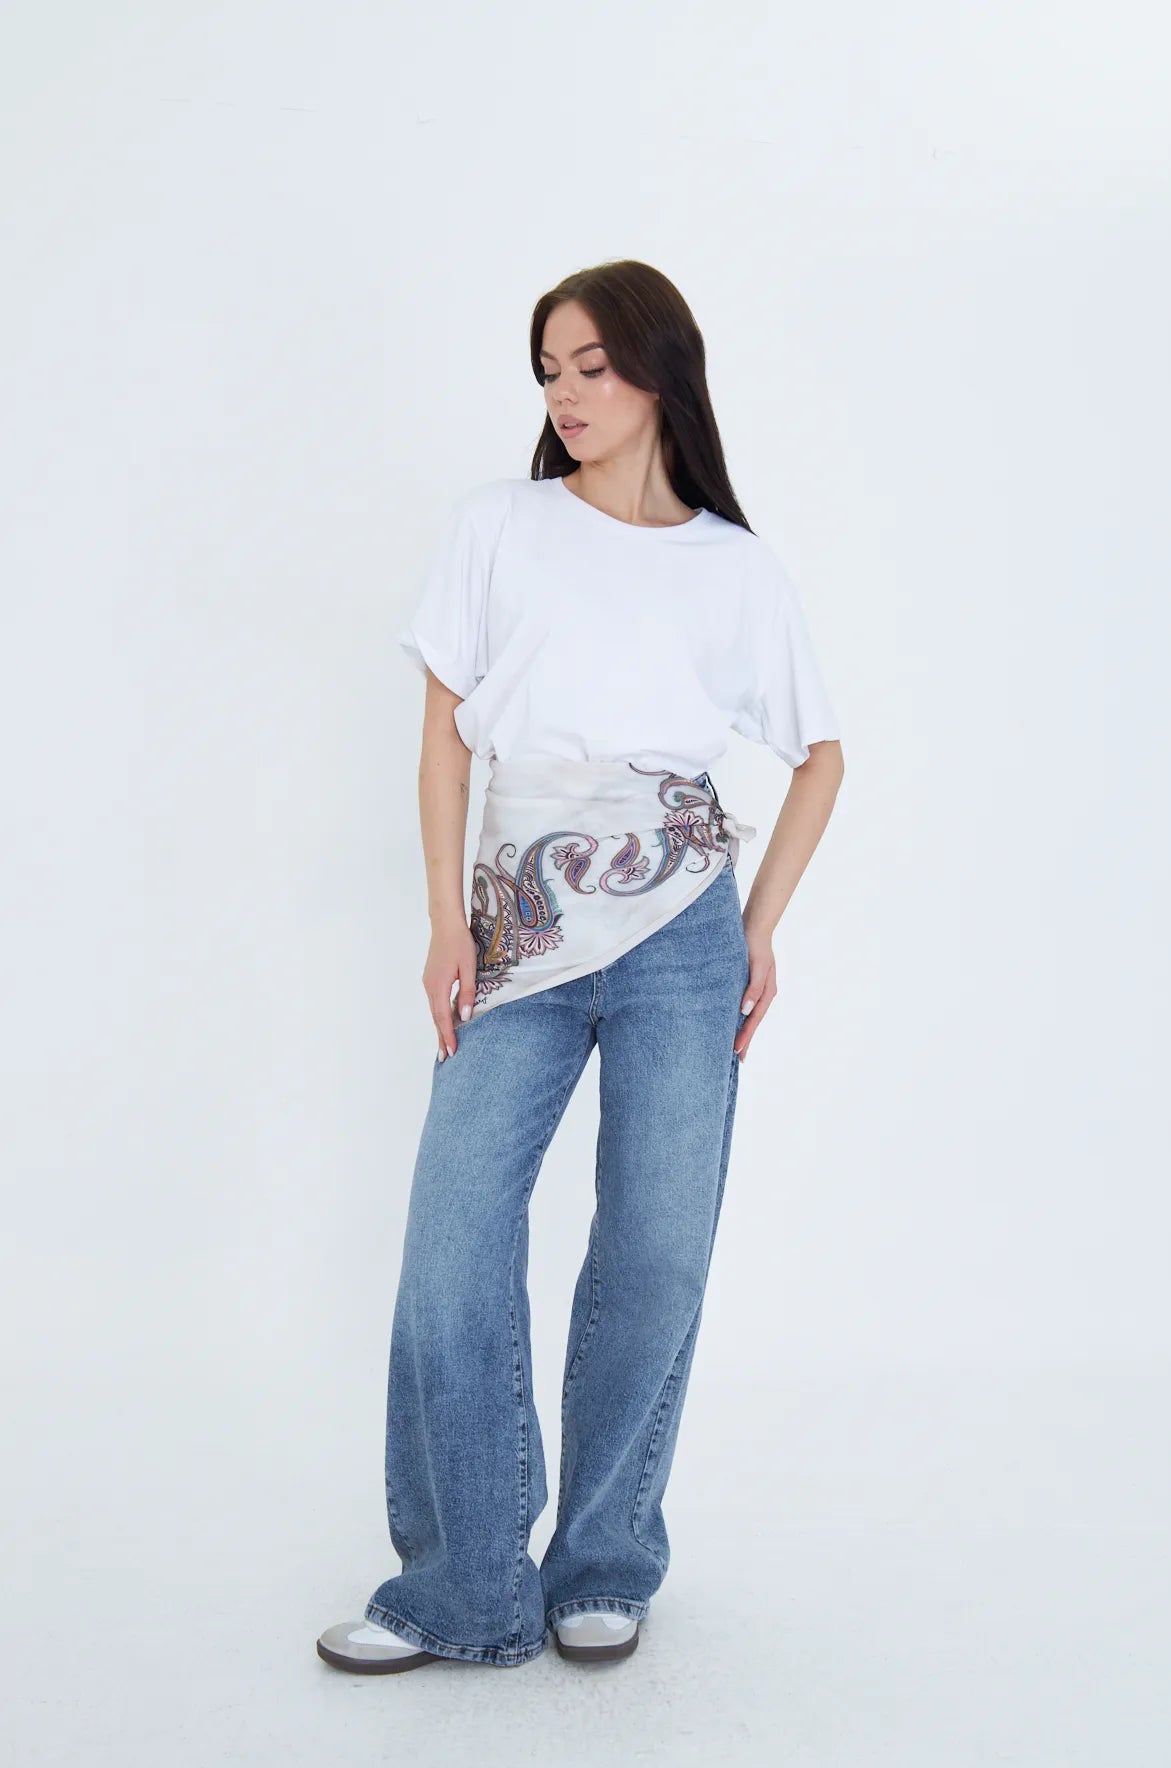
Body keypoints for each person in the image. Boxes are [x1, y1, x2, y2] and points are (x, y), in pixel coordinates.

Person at [317, 259, 844, 1675]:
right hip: (517, 926)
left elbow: (821, 754)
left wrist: (758, 927)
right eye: (550, 368)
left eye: (593, 365)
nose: (566, 391)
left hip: (685, 932)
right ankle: (463, 1584)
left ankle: (603, 1563)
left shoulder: (736, 567)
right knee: (453, 1245)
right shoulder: (499, 525)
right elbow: (446, 739)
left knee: (656, 1251)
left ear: (660, 372)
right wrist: (447, 922)